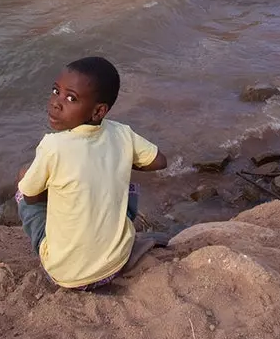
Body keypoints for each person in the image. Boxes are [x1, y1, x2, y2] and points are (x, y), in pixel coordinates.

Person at [16, 57, 168, 290]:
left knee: (24, 179)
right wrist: (119, 161)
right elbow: (159, 161)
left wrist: (53, 193)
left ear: (98, 111)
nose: (56, 103)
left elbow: (30, 197)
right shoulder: (122, 133)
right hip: (115, 264)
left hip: (66, 275)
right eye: (56, 91)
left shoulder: (53, 146)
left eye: (70, 98)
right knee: (121, 186)